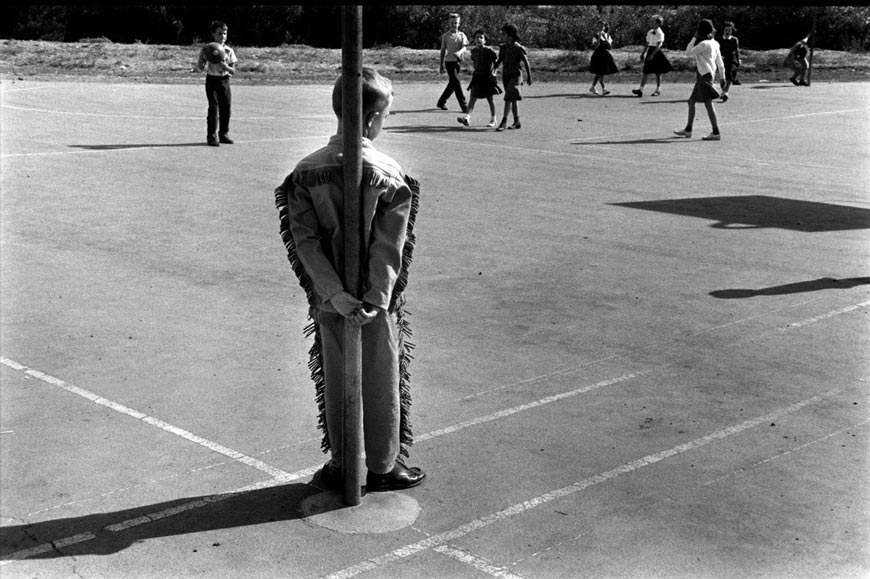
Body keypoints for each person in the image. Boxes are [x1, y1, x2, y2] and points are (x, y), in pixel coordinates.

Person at [274, 67, 426, 493]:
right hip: (375, 303)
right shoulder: (389, 173)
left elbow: (306, 242)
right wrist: (376, 298)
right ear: (375, 119)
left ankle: (345, 461)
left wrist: (335, 294)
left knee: (339, 372)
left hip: (332, 301)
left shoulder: (306, 171)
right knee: (380, 376)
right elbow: (388, 245)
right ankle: (381, 464)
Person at [674, 19, 725, 141]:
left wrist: (693, 37)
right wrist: (723, 77)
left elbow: (687, 52)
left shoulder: (703, 45)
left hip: (703, 76)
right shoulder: (715, 43)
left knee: (708, 104)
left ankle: (716, 132)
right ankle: (688, 130)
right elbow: (720, 62)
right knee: (691, 102)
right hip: (708, 75)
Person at [196, 20, 237, 147]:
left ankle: (223, 134)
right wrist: (201, 57)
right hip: (211, 80)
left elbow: (233, 71)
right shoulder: (207, 49)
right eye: (219, 33)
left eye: (224, 33)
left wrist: (226, 68)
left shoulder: (229, 51)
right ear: (213, 34)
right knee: (213, 107)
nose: (222, 36)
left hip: (224, 80)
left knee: (226, 107)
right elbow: (200, 68)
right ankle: (212, 136)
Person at [458, 29, 502, 128]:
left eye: (481, 37)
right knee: (473, 98)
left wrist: (494, 71)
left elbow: (496, 62)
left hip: (487, 77)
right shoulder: (473, 51)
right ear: (474, 40)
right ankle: (467, 117)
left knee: (490, 98)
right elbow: (474, 62)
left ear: (485, 40)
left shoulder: (489, 51)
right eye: (477, 37)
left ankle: (493, 119)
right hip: (477, 76)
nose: (479, 39)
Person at [493, 23, 533, 132]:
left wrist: (529, 76)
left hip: (516, 75)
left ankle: (504, 121)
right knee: (513, 99)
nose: (502, 36)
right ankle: (517, 121)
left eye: (504, 34)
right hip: (506, 75)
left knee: (508, 98)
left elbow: (526, 61)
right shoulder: (503, 47)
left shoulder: (518, 48)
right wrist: (494, 69)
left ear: (510, 36)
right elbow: (500, 60)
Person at [632, 15, 673, 97]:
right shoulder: (650, 32)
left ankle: (658, 89)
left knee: (658, 72)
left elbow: (658, 46)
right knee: (645, 71)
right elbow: (647, 44)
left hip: (656, 52)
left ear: (658, 23)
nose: (652, 22)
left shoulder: (660, 33)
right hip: (650, 50)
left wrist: (652, 55)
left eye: (653, 21)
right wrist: (643, 53)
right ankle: (640, 89)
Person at [437, 13, 469, 112]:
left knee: (452, 84)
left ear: (459, 23)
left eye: (456, 23)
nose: (454, 25)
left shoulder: (462, 35)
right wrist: (441, 65)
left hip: (457, 62)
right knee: (456, 82)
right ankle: (464, 105)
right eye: (452, 23)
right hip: (449, 62)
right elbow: (442, 50)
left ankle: (441, 102)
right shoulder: (445, 36)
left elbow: (465, 46)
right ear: (449, 23)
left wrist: (459, 52)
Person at [588, 20, 619, 96]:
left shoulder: (607, 35)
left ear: (604, 27)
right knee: (599, 72)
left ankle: (593, 87)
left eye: (602, 26)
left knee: (600, 73)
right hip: (598, 55)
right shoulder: (595, 36)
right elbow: (595, 46)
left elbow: (609, 46)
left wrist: (605, 37)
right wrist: (599, 37)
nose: (600, 27)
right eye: (599, 26)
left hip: (605, 55)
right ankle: (603, 89)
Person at [717, 21, 741, 101]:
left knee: (730, 74)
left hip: (732, 59)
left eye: (729, 30)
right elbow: (716, 51)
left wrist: (738, 60)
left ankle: (725, 92)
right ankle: (724, 91)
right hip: (721, 59)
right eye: (726, 30)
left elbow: (737, 51)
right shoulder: (719, 39)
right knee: (723, 77)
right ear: (723, 30)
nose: (728, 32)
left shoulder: (734, 40)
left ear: (731, 31)